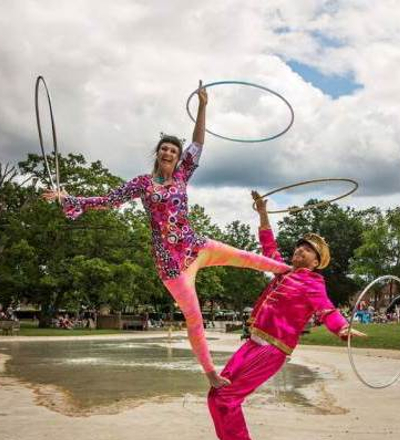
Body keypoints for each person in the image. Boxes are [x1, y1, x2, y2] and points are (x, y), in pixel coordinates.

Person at [42, 82, 290, 388]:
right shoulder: (143, 183)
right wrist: (69, 198)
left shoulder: (184, 173)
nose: (170, 152)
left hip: (195, 245)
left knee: (249, 258)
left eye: (174, 149)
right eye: (165, 149)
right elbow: (108, 201)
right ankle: (211, 372)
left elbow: (199, 143)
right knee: (195, 317)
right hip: (171, 264)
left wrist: (202, 106)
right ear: (158, 154)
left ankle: (293, 272)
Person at [207, 192, 366, 440]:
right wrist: (262, 213)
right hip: (252, 343)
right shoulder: (283, 271)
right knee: (216, 394)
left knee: (226, 398)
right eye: (300, 246)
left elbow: (326, 308)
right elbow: (268, 246)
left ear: (316, 261)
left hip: (271, 349)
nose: (300, 250)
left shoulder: (313, 281)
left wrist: (341, 328)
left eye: (308, 250)